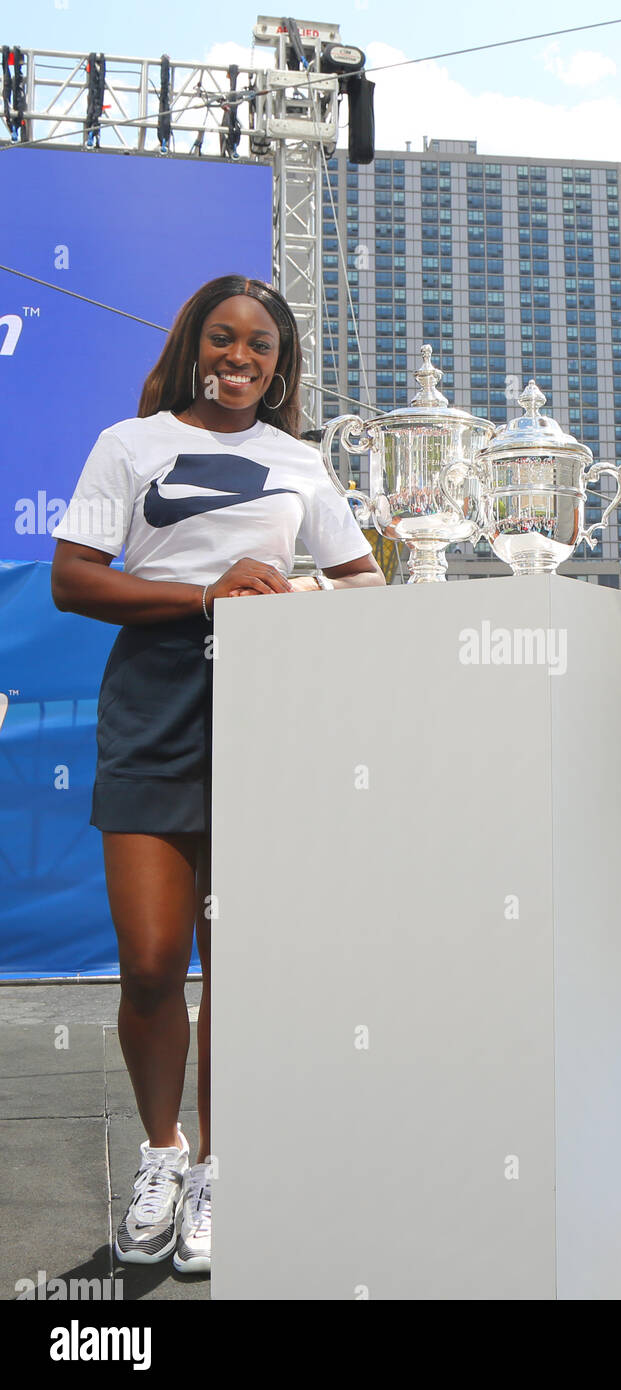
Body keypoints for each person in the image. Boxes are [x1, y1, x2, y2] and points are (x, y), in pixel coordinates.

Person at [51, 275, 386, 1277]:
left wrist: (285, 601)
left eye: (261, 346)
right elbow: (74, 577)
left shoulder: (298, 462)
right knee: (153, 962)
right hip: (155, 704)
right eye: (224, 338)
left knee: (239, 967)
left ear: (281, 365)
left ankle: (224, 1172)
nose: (241, 357)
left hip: (269, 714)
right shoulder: (131, 442)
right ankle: (164, 1155)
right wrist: (208, 594)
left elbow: (361, 585)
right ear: (195, 344)